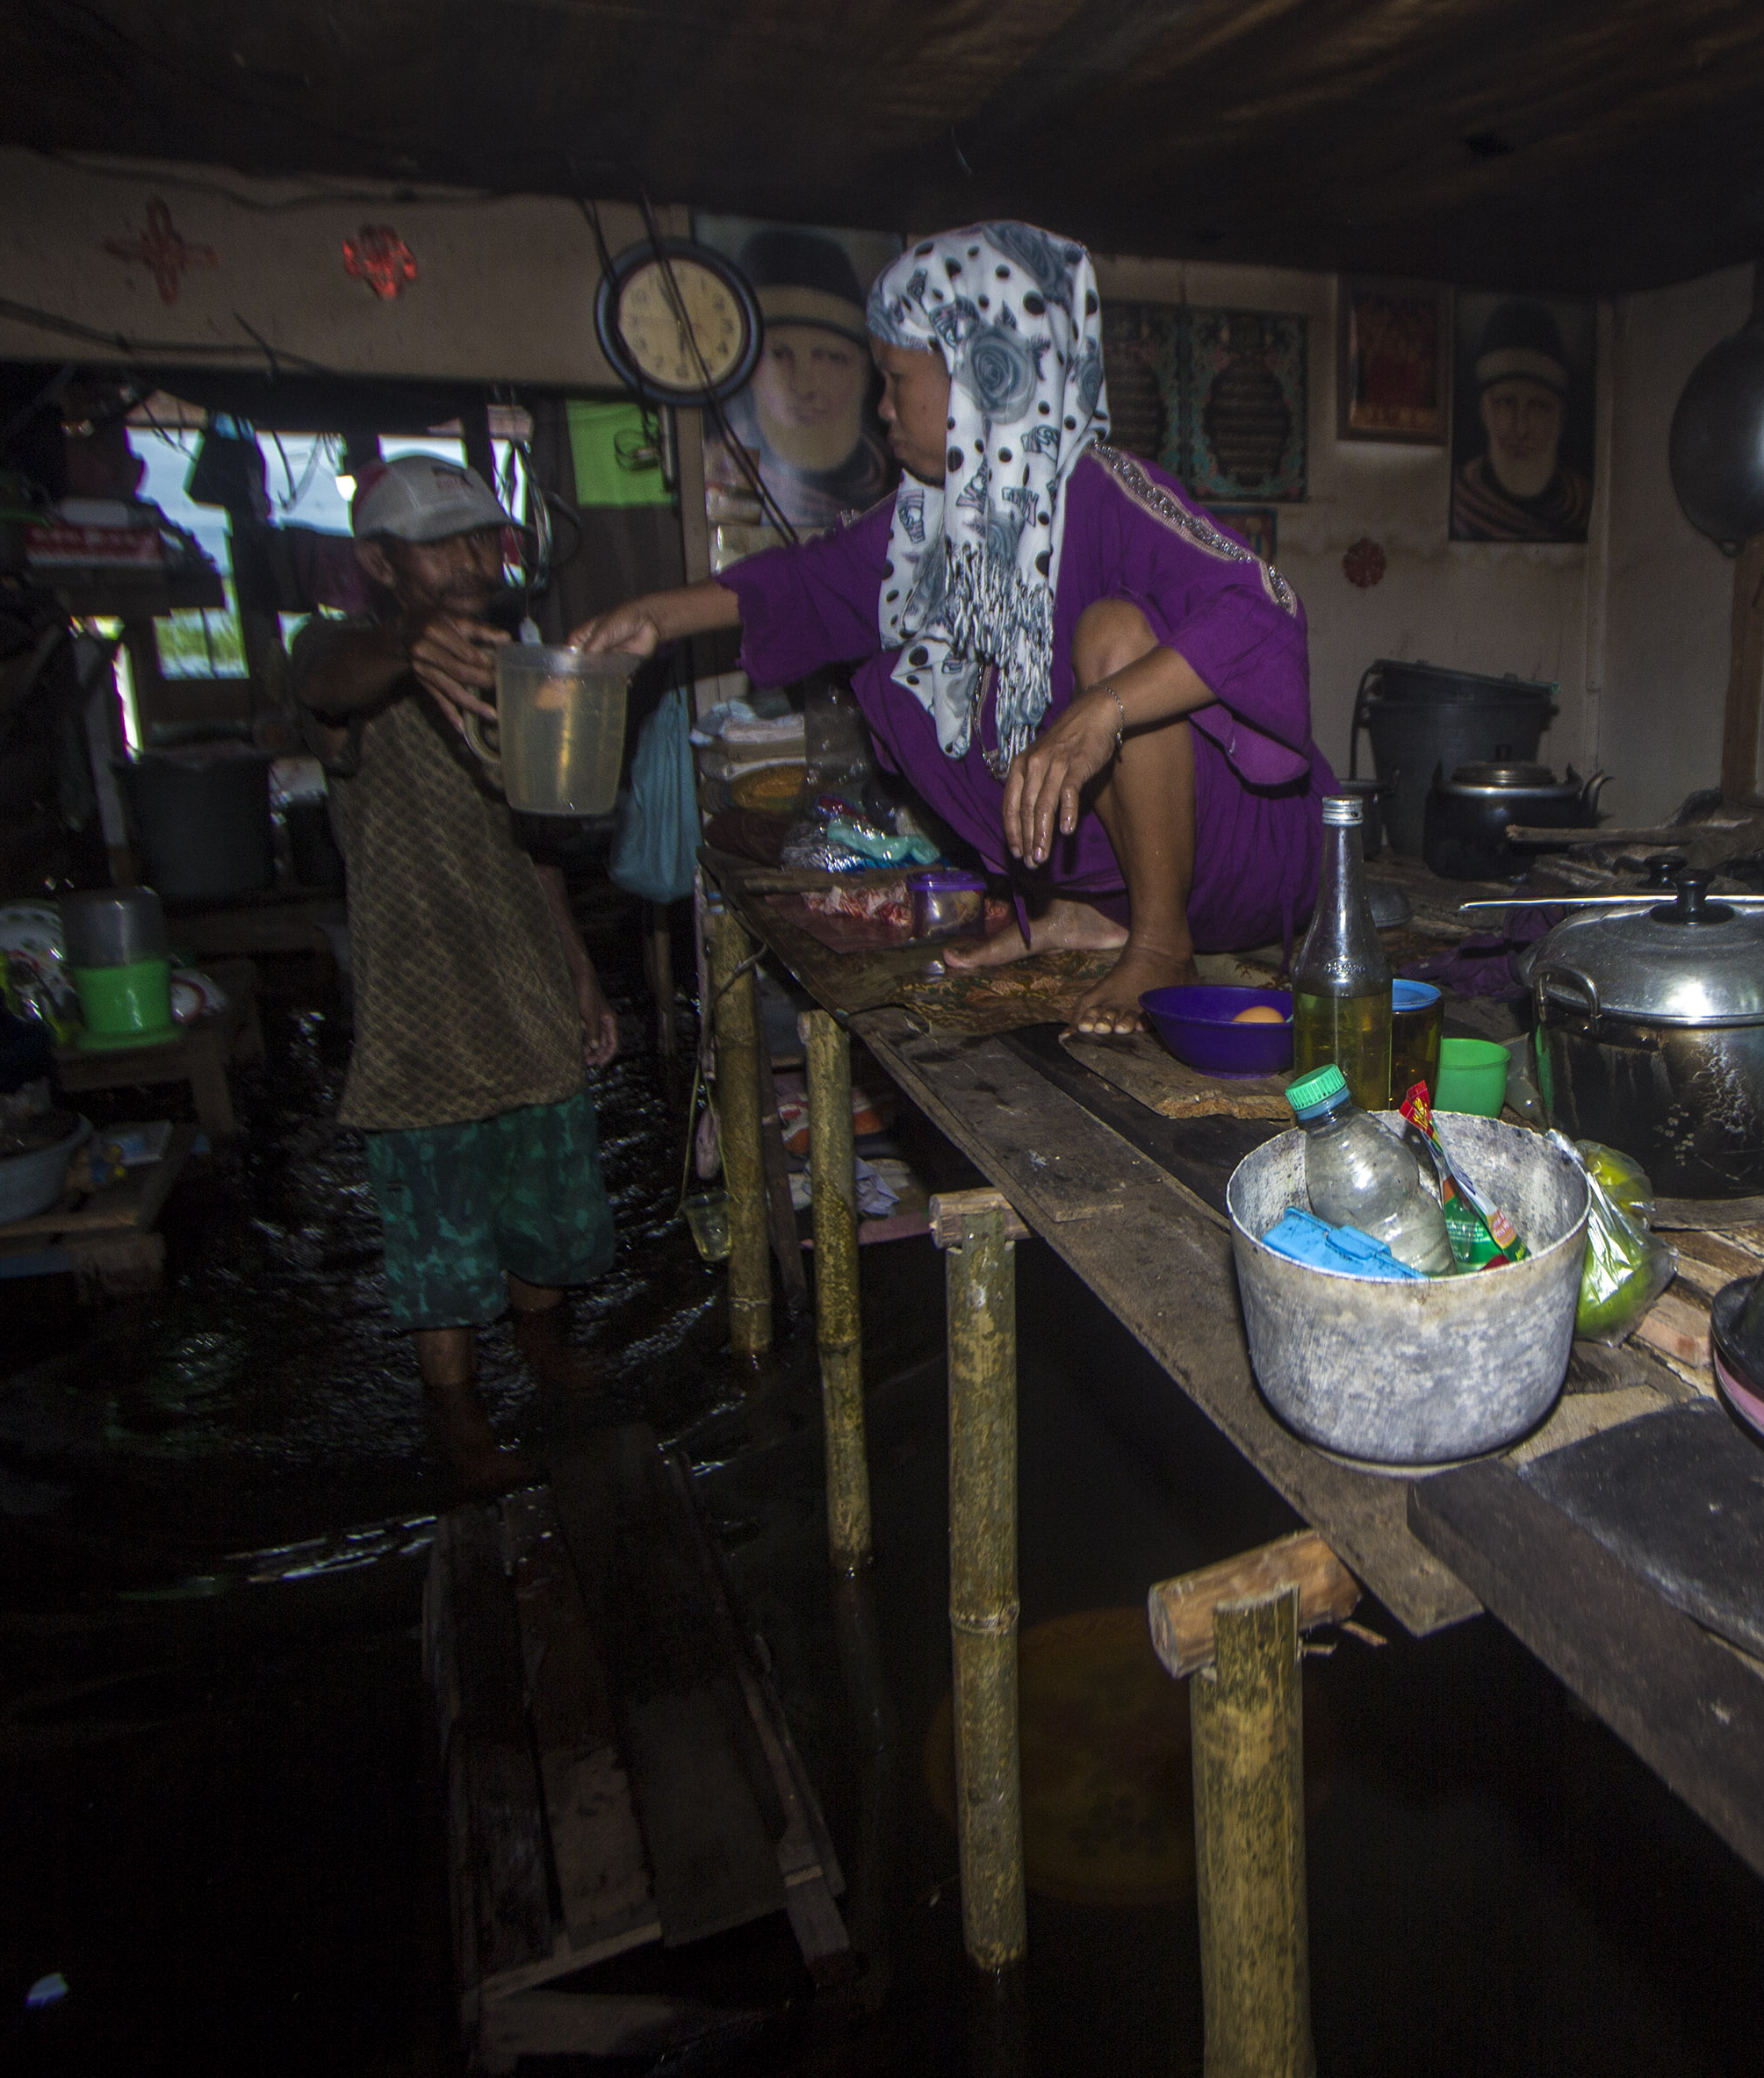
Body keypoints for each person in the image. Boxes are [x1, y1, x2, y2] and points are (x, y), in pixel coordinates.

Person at [573, 220, 1331, 1035]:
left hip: (1253, 863)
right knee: (895, 653)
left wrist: (1102, 709)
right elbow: (806, 584)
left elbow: (1266, 610)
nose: (884, 406)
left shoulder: (1106, 491)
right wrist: (652, 615)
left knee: (1114, 638)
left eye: (897, 377)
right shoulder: (919, 528)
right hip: (1137, 873)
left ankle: (1159, 940)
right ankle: (1086, 908)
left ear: (984, 374)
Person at [291, 455, 621, 1475]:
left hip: (519, 976)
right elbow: (318, 679)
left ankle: (544, 1351)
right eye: (439, 541)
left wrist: (575, 965)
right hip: (417, 997)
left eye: (481, 534)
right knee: (435, 1228)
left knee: (546, 1201)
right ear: (380, 562)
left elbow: (536, 839)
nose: (471, 556)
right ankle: (458, 1412)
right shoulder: (349, 659)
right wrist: (404, 644)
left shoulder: (519, 665)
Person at [711, 228, 894, 535]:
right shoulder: (720, 473)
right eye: (779, 355)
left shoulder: (904, 483)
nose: (805, 387)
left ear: (865, 372)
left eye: (830, 358)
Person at [1449, 298, 1594, 542]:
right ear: (1484, 411)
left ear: (1561, 417)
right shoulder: (1460, 497)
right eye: (1505, 403)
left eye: (1539, 406)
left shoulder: (1582, 505)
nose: (1521, 428)